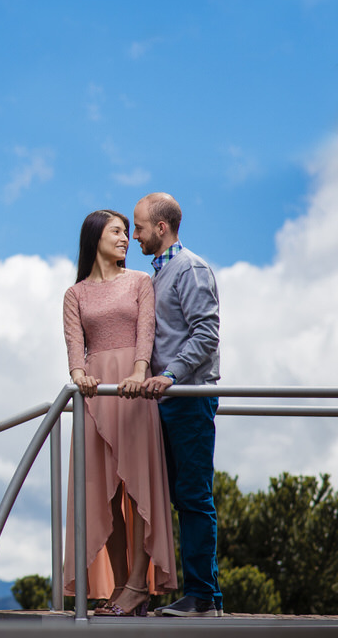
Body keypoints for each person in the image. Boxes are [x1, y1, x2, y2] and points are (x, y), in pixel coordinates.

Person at [62, 209, 178, 617]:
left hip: (132, 389)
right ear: (95, 237)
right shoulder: (75, 294)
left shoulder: (140, 282)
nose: (126, 238)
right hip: (96, 395)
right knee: (104, 494)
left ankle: (137, 585)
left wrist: (139, 372)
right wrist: (80, 377)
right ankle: (119, 586)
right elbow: (76, 349)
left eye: (129, 232)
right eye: (117, 231)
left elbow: (146, 333)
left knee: (137, 487)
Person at [132, 192, 223, 617]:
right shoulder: (156, 277)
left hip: (188, 398)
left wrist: (169, 376)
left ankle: (204, 597)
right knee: (176, 495)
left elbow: (206, 335)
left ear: (161, 228)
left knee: (193, 496)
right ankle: (192, 592)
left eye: (140, 227)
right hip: (166, 401)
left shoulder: (191, 269)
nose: (135, 235)